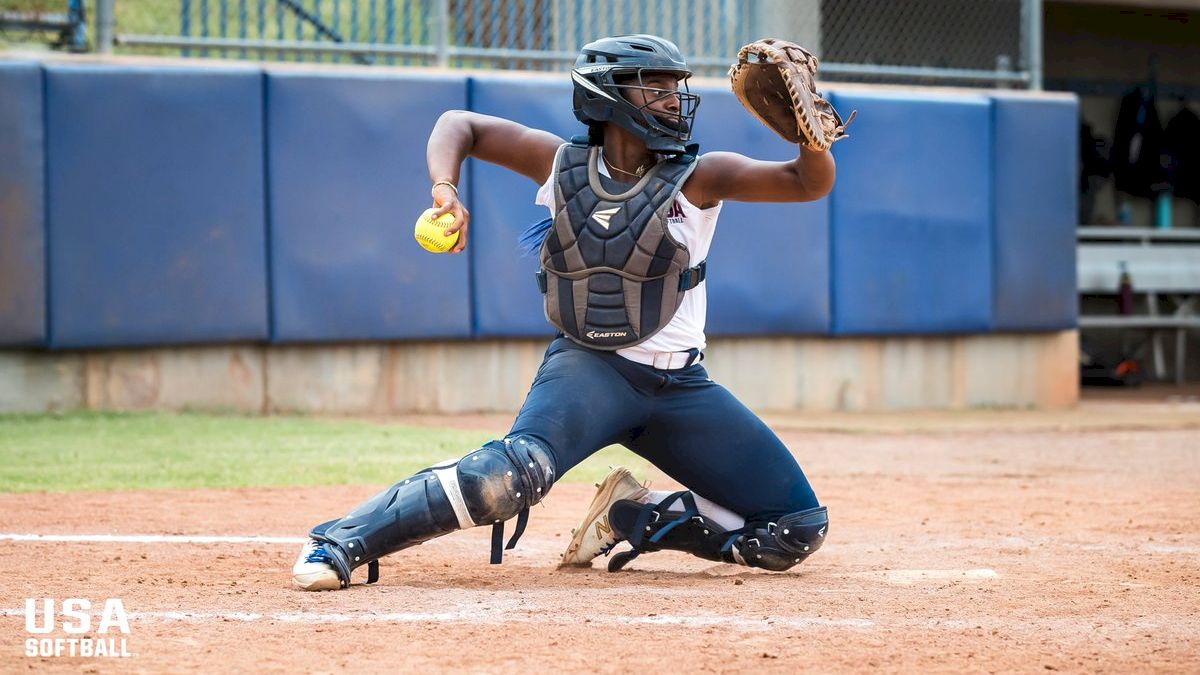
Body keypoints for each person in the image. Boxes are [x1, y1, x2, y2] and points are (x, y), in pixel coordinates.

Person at [292, 34, 834, 591]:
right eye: (656, 87)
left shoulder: (701, 176)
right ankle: (340, 540)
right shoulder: (561, 165)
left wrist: (811, 140)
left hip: (679, 388)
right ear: (607, 96)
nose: (674, 100)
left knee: (793, 528)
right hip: (589, 371)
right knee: (503, 479)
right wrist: (444, 189)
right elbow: (460, 124)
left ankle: (633, 514)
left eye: (677, 87)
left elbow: (805, 183)